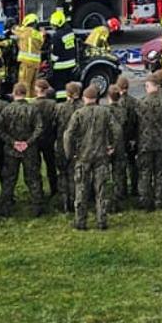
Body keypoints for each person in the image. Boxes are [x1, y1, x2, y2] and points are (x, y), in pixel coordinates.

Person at [62, 84, 120, 230]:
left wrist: (70, 153)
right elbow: (117, 130)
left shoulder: (78, 114)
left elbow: (68, 135)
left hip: (83, 156)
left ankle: (80, 221)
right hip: (101, 156)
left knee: (81, 189)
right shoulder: (105, 112)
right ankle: (102, 221)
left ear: (84, 98)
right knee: (101, 190)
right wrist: (112, 146)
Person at [0, 86, 48, 217]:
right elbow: (39, 128)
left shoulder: (6, 110)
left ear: (14, 93)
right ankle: (37, 207)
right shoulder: (33, 109)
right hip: (29, 150)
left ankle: (5, 208)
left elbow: (0, 130)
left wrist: (12, 142)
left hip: (11, 150)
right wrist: (28, 142)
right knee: (33, 178)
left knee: (9, 179)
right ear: (25, 93)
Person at [134, 74, 162, 209]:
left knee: (145, 171)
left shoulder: (141, 103)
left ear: (151, 86)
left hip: (145, 142)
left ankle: (144, 199)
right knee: (159, 172)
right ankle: (159, 199)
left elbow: (136, 123)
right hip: (161, 141)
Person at [13, 14, 44, 100]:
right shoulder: (38, 34)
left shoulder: (26, 31)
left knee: (24, 85)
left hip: (27, 63)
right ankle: (32, 102)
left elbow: (16, 30)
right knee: (32, 86)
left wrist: (13, 26)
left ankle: (24, 103)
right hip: (36, 64)